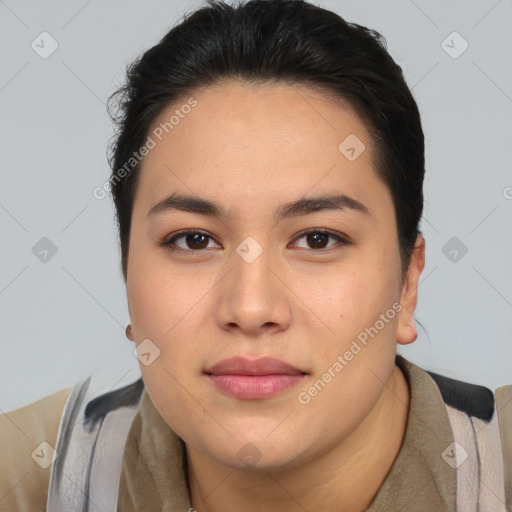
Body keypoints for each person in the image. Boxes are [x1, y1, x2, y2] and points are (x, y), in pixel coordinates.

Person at [1, 1, 510, 511]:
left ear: (407, 284)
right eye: (194, 240)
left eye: (318, 239)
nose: (250, 308)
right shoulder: (23, 479)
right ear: (127, 272)